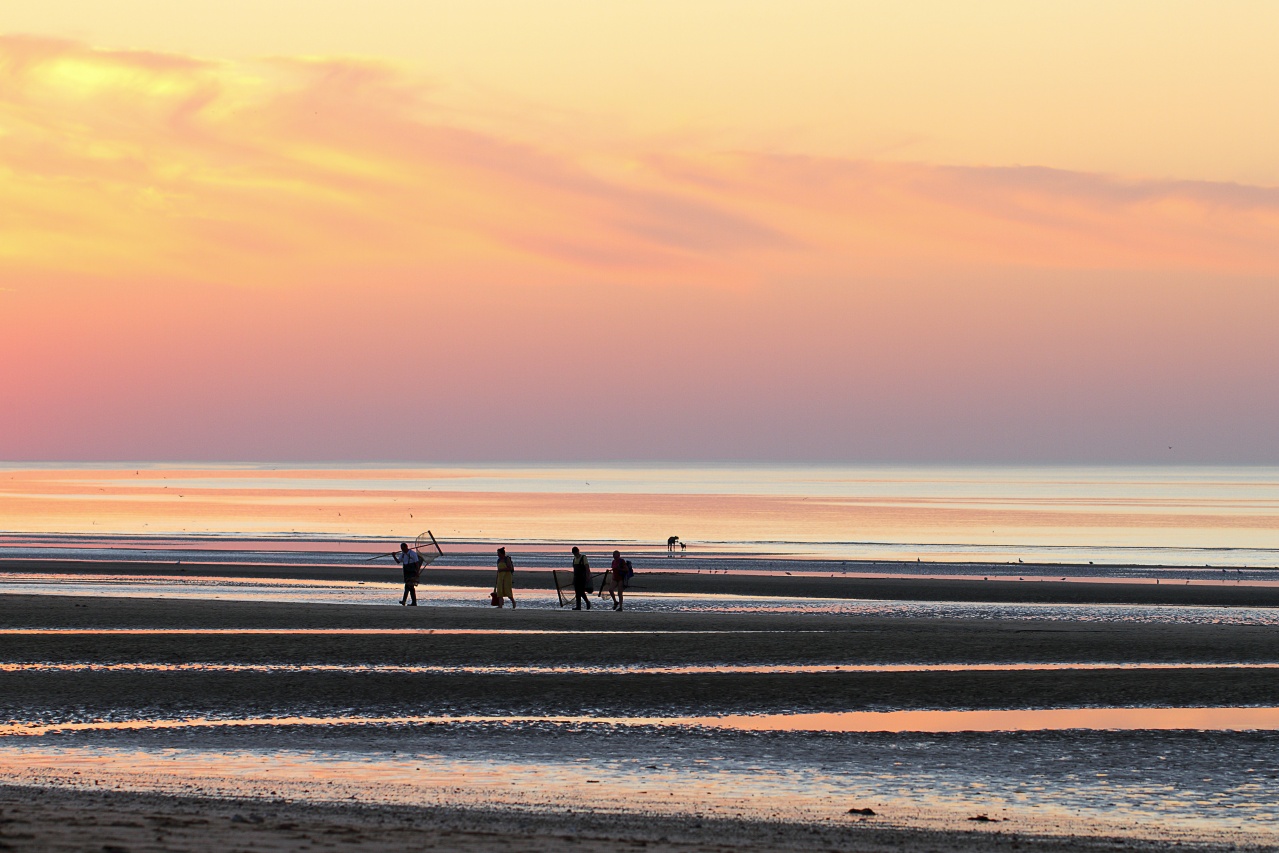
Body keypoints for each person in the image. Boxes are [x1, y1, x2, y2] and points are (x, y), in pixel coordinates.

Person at [392, 542, 422, 606]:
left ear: (406, 547)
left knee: (407, 585)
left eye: (403, 548)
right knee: (411, 587)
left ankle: (404, 600)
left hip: (412, 571)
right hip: (406, 571)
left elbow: (417, 563)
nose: (402, 550)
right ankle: (414, 602)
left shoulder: (412, 554)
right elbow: (398, 561)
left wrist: (417, 572)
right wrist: (394, 556)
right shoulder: (403, 554)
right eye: (401, 549)